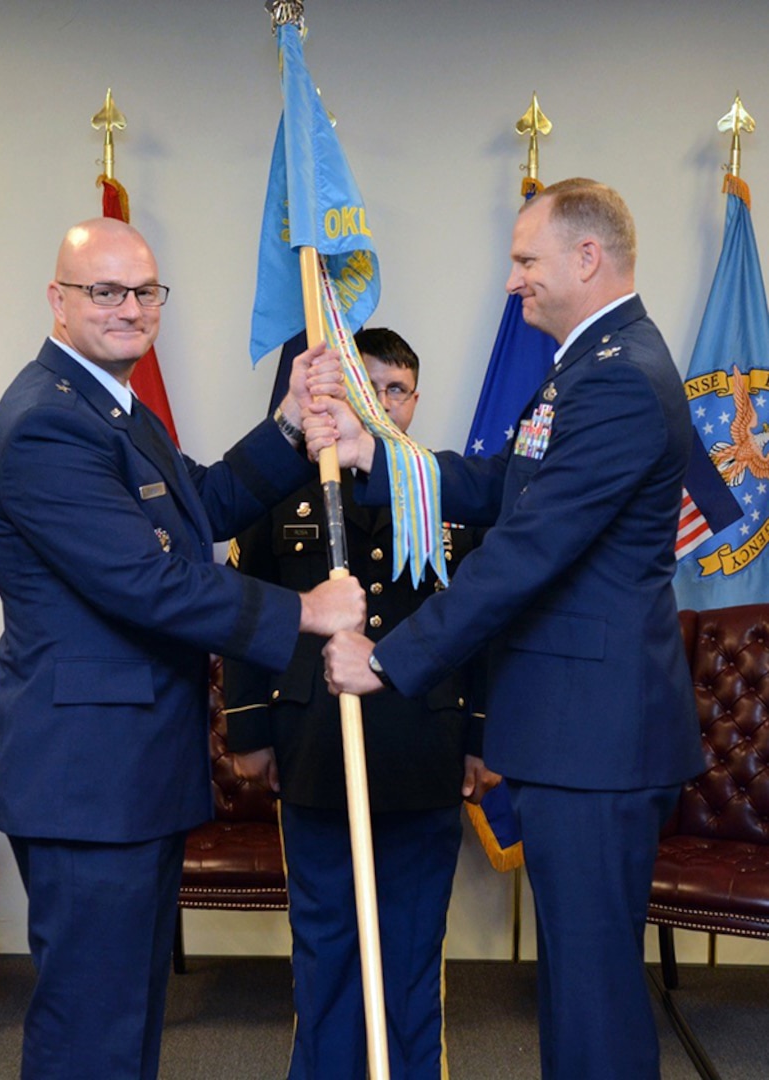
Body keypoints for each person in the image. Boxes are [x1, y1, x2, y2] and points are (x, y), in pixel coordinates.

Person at [316, 181, 705, 1080]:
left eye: (527, 259)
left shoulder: (618, 379)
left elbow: (528, 548)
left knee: (592, 991)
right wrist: (382, 455)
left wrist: (391, 657)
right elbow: (504, 487)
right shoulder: (591, 364)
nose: (512, 280)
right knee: (577, 980)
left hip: (599, 737)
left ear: (587, 258)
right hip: (578, 731)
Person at [0, 216, 365, 1080]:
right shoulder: (46, 427)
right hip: (87, 779)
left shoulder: (111, 406)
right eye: (104, 291)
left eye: (145, 291)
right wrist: (308, 613)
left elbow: (201, 506)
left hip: (127, 771)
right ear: (58, 301)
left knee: (125, 1016)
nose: (130, 309)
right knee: (91, 1030)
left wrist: (293, 426)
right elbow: (147, 586)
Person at [224, 326, 497, 1079]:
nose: (382, 404)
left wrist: (482, 735)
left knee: (411, 949)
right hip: (314, 748)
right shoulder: (282, 489)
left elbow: (485, 628)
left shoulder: (456, 499)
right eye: (366, 388)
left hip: (421, 749)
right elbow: (248, 610)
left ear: (415, 402)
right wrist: (248, 726)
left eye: (397, 390)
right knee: (326, 945)